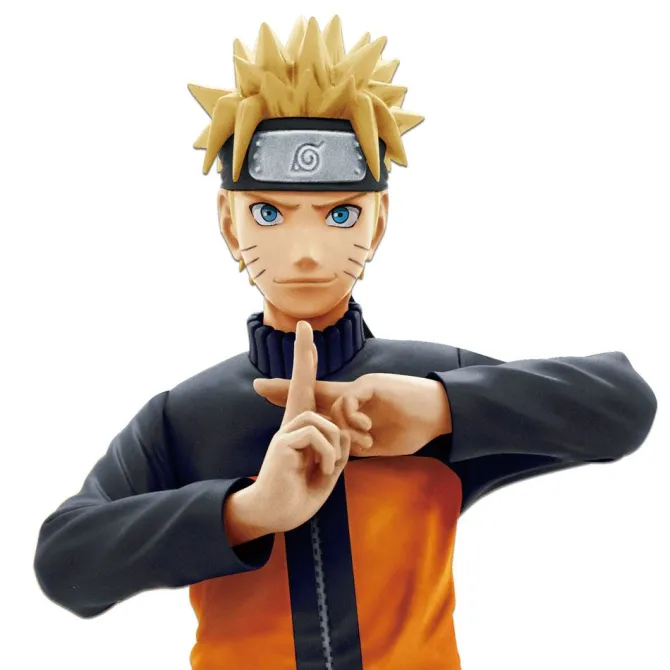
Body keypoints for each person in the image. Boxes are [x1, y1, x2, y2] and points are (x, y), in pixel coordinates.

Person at [33, 15, 657, 670]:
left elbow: (624, 408)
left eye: (341, 213)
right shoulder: (185, 418)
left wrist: (441, 410)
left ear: (378, 221)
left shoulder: (427, 382)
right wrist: (246, 511)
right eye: (268, 212)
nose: (306, 252)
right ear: (229, 223)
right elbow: (64, 562)